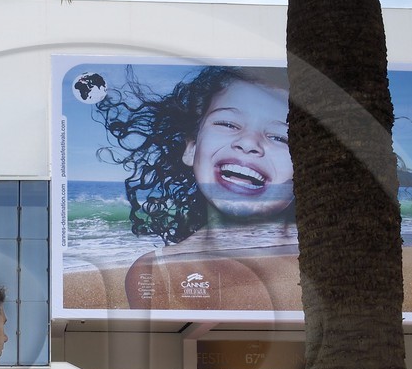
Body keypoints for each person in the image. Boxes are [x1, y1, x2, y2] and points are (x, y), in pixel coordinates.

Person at [86, 66, 297, 312]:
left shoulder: (332, 260)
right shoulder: (157, 271)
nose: (249, 143)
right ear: (191, 147)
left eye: (280, 137)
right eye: (229, 124)